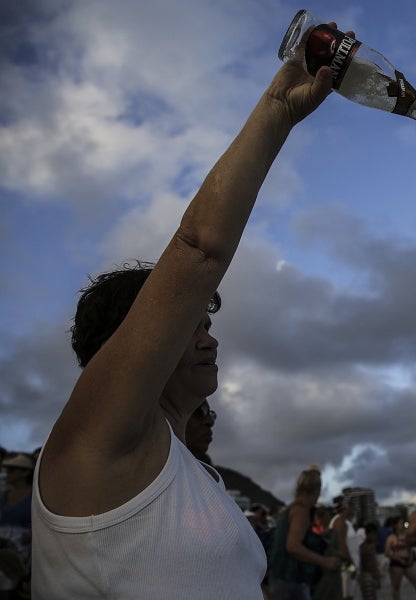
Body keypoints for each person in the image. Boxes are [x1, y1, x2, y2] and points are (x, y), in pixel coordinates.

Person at [30, 35, 344, 597]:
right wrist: (276, 111)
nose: (210, 341)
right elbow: (199, 251)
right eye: (193, 325)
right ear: (134, 342)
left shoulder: (193, 469)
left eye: (208, 325)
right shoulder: (102, 440)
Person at [269, 466, 340, 600]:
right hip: (290, 581)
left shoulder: (291, 508)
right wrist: (324, 561)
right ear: (315, 490)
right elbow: (293, 546)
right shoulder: (301, 510)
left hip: (281, 579)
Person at [0, 453, 34, 597]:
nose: (8, 473)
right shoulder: (4, 495)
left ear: (25, 472)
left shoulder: (34, 495)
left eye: (13, 470)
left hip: (22, 542)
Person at [385, 516, 416, 600]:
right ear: (395, 525)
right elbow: (387, 552)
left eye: (402, 523)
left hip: (408, 562)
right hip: (396, 564)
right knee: (396, 587)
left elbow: (411, 548)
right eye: (400, 523)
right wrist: (397, 558)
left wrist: (411, 558)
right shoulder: (391, 537)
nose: (402, 525)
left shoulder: (407, 535)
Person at [358, 522, 381, 600]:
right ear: (369, 534)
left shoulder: (371, 545)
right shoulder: (364, 547)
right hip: (366, 576)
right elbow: (367, 563)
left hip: (370, 575)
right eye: (374, 534)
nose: (375, 537)